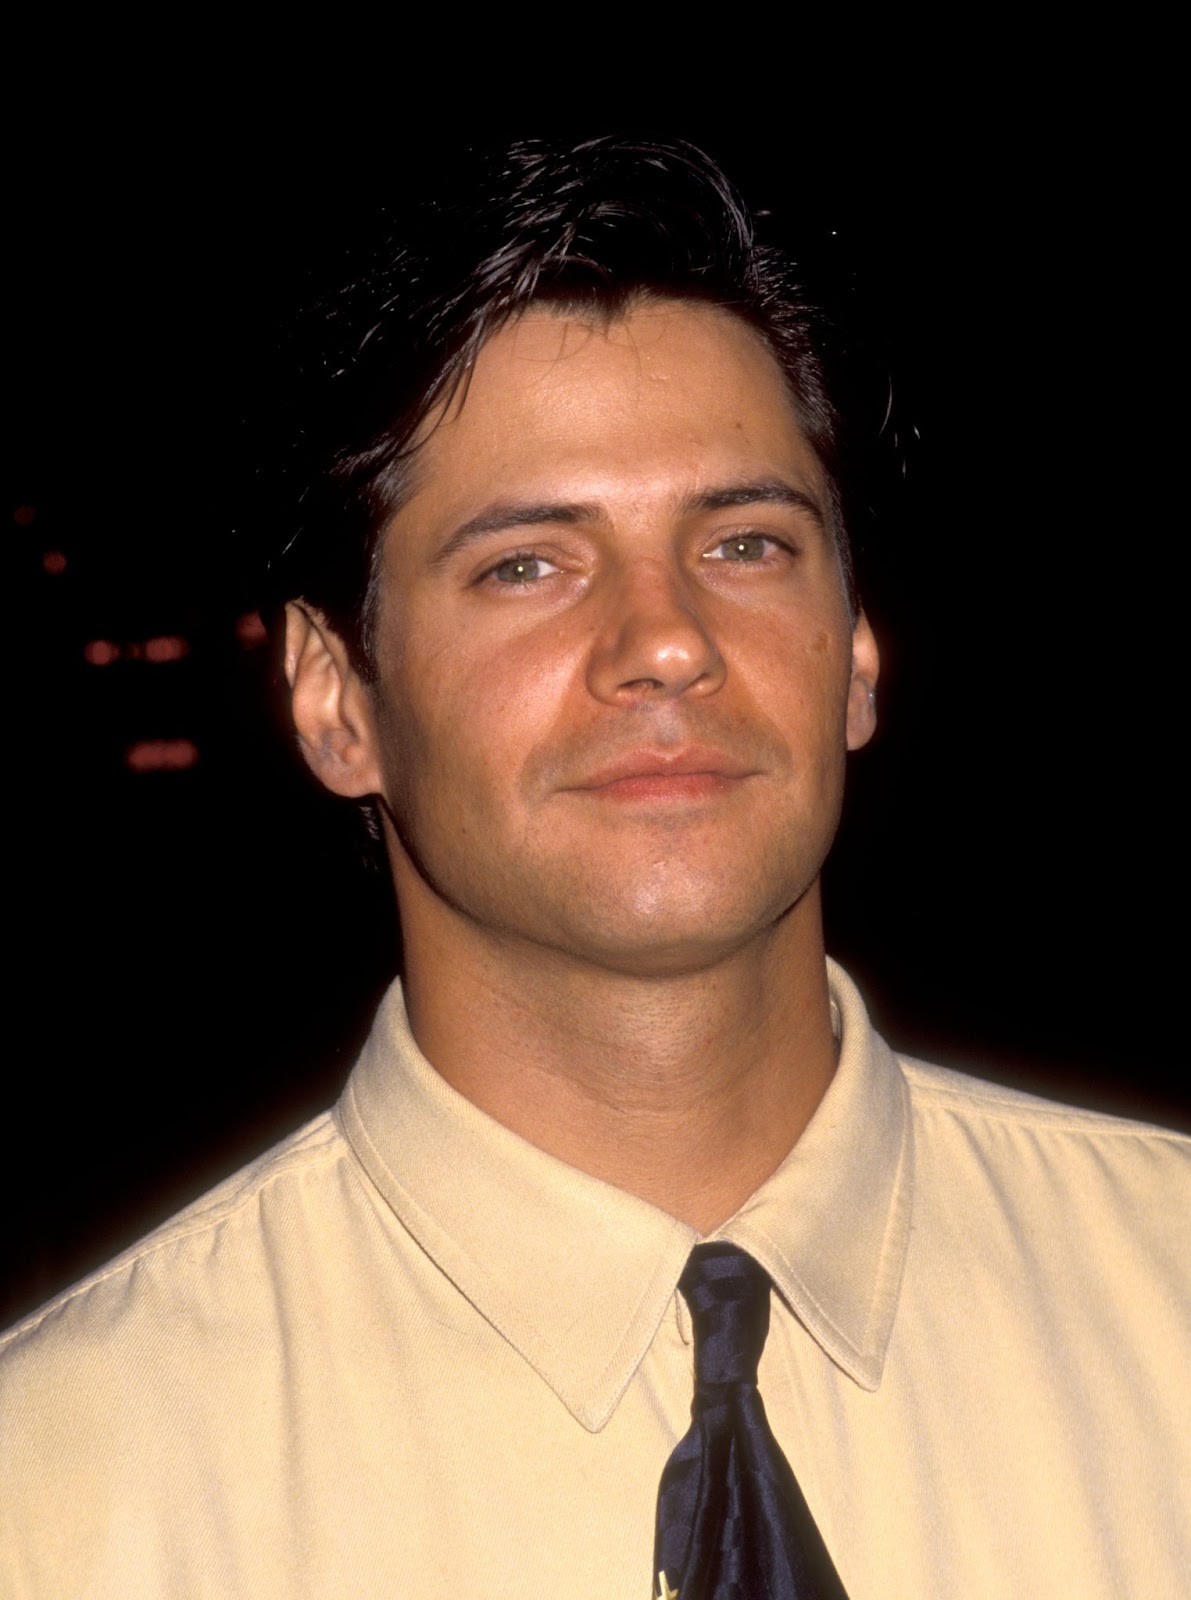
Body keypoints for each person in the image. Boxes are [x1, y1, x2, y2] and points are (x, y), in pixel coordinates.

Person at [2, 136, 1187, 1599]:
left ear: (860, 655)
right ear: (335, 696)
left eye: (747, 543)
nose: (669, 640)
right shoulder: (63, 1483)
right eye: (528, 565)